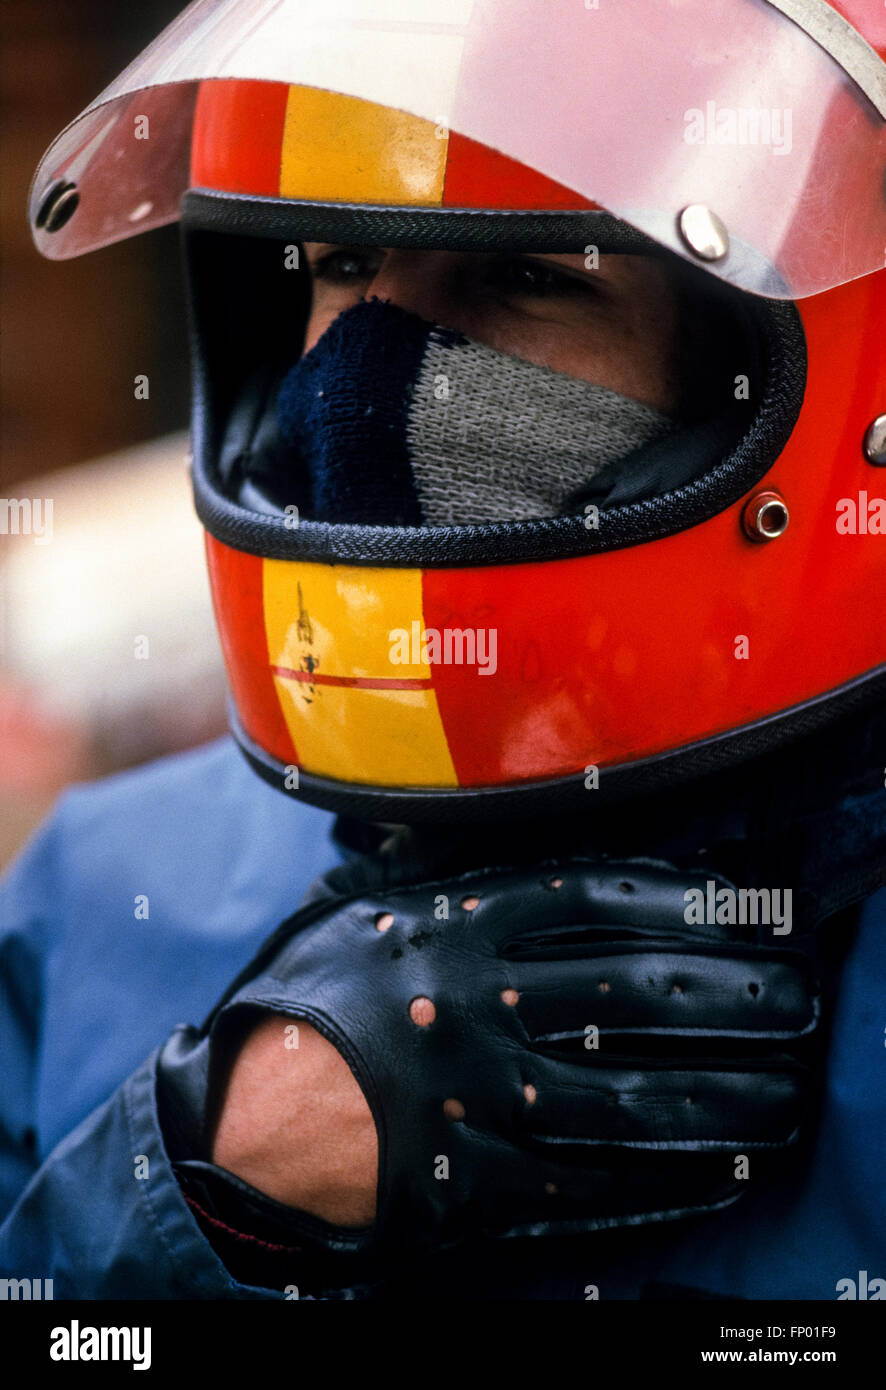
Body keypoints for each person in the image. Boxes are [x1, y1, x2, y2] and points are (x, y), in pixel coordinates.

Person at [2, 0, 885, 1300]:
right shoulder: (96, 892)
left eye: (526, 276)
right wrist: (184, 1190)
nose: (359, 376)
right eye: (337, 264)